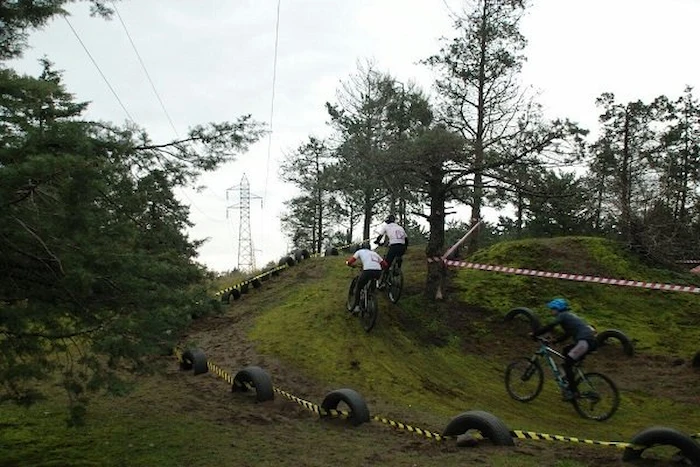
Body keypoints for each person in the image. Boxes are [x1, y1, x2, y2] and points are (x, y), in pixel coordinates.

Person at [531, 298, 597, 401]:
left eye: (552, 309)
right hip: (589, 341)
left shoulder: (563, 316)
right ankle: (568, 378)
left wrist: (536, 334)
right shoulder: (569, 316)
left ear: (557, 309)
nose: (551, 311)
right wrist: (556, 341)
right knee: (566, 351)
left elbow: (551, 326)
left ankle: (573, 392)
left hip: (584, 341)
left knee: (567, 364)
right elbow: (568, 333)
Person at [345, 248, 387, 314]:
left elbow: (351, 260)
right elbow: (385, 264)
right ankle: (371, 297)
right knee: (372, 286)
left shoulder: (359, 251)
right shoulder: (374, 253)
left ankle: (357, 306)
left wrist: (348, 263)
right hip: (378, 271)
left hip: (367, 271)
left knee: (359, 287)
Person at [374, 214, 408, 286]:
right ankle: (397, 268)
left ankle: (383, 282)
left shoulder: (386, 226)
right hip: (402, 246)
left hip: (394, 246)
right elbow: (406, 238)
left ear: (387, 221)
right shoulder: (400, 227)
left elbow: (380, 236)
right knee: (399, 255)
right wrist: (405, 247)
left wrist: (377, 242)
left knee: (387, 264)